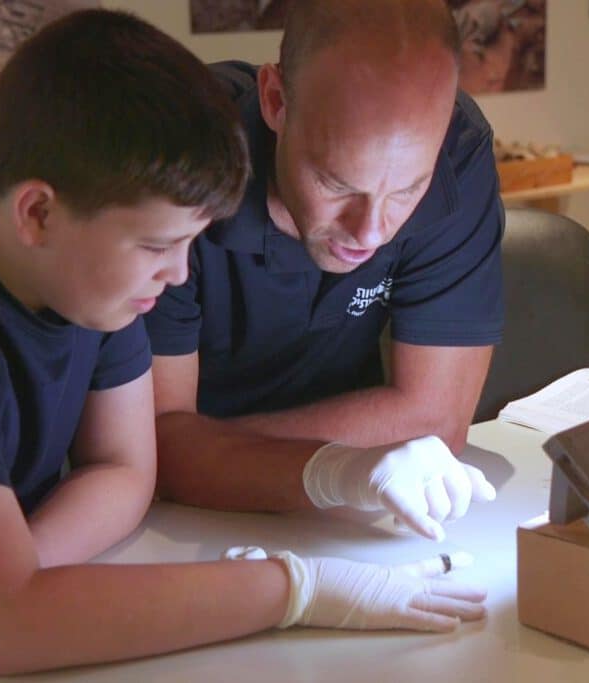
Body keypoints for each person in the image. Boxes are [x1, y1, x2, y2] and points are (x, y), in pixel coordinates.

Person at [0, 9, 489, 675]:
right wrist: (297, 588)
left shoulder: (91, 279)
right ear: (38, 212)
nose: (180, 273)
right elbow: (5, 632)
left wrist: (0, 572)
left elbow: (125, 472)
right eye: (158, 244)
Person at [146, 0, 504, 541]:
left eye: (408, 189)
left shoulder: (458, 150)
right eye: (337, 185)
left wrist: (212, 452)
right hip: (166, 526)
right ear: (275, 101)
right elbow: (153, 449)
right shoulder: (174, 158)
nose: (371, 232)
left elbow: (435, 421)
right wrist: (337, 467)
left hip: (344, 515)